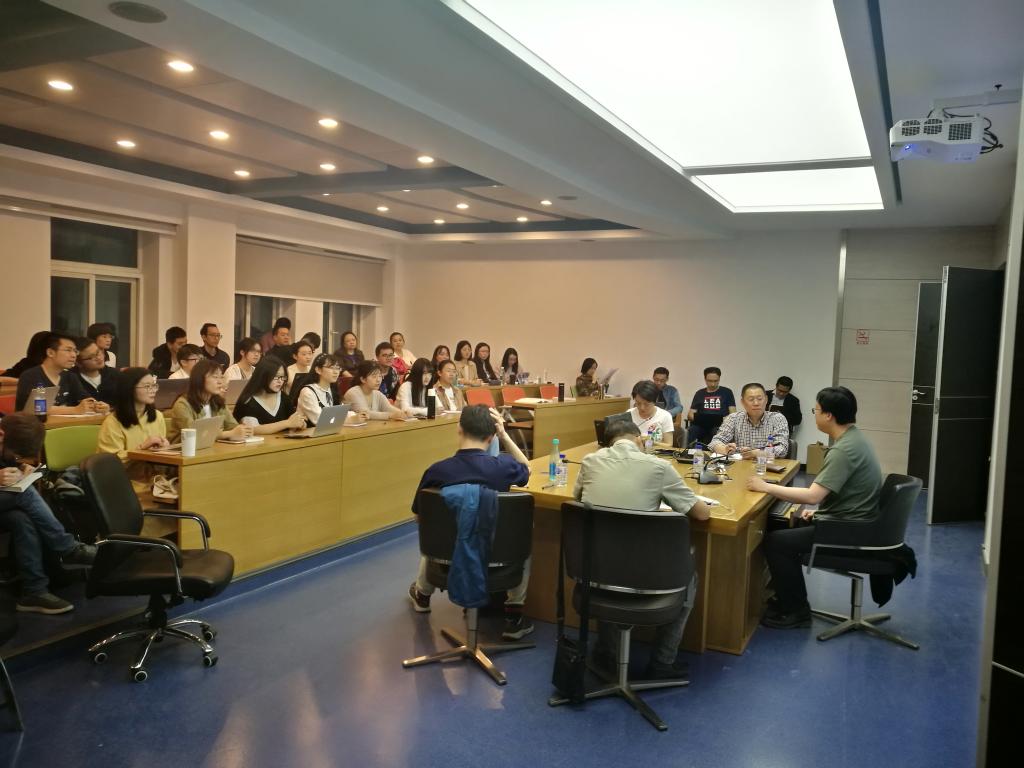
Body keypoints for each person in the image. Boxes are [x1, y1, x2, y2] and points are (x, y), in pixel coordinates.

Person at [574, 418, 711, 679]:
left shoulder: (590, 461)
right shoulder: (658, 467)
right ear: (639, 439)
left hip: (594, 570)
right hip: (645, 577)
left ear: (608, 443)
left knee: (608, 557)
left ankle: (607, 653)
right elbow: (702, 514)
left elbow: (578, 499)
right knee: (688, 574)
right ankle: (662, 662)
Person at [748, 386, 882, 629]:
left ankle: (796, 610)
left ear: (828, 415)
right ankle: (784, 595)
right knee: (784, 524)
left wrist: (765, 486)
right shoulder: (854, 438)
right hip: (856, 521)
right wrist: (822, 513)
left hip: (848, 529)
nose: (815, 414)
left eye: (816, 410)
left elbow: (812, 496)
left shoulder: (843, 450)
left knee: (776, 542)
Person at [408, 404, 534, 639]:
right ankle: (514, 615)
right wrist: (505, 435)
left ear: (459, 429)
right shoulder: (504, 468)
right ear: (492, 436)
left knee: (439, 528)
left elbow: (420, 518)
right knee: (522, 535)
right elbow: (528, 468)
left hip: (449, 556)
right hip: (499, 556)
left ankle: (423, 595)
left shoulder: (436, 471)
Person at [0, 412, 96, 614]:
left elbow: (23, 463)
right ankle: (68, 549)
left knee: (21, 519)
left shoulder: (9, 433)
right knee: (25, 494)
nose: (15, 459)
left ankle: (34, 591)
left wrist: (26, 468)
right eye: (15, 456)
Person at [97, 367, 171, 493]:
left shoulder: (157, 416)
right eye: (147, 386)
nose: (153, 390)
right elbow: (109, 464)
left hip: (156, 483)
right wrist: (141, 448)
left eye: (154, 385)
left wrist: (165, 449)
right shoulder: (113, 422)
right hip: (125, 485)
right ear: (130, 389)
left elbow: (159, 457)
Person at [167, 359, 252, 444]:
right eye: (215, 377)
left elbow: (232, 426)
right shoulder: (182, 404)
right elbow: (194, 434)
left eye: (221, 377)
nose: (220, 382)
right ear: (200, 379)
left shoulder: (217, 402)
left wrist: (244, 430)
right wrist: (228, 434)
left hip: (213, 448)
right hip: (182, 450)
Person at [14, 332, 100, 415]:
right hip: (35, 424)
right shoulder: (31, 376)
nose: (74, 355)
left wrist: (97, 405)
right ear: (50, 353)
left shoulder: (70, 376)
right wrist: (75, 410)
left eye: (75, 351)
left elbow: (86, 398)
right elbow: (36, 408)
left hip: (66, 423)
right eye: (68, 350)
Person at [709, 382, 790, 459]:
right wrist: (725, 449)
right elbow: (715, 442)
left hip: (767, 466)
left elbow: (782, 449)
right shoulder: (733, 418)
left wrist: (756, 453)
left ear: (766, 400)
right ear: (743, 402)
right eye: (751, 399)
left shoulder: (777, 418)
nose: (756, 403)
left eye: (760, 399)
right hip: (741, 466)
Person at [232, 359, 308, 434]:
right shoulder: (248, 401)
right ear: (263, 376)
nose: (280, 381)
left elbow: (294, 420)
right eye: (276, 376)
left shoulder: (283, 397)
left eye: (283, 377)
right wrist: (287, 423)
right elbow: (253, 429)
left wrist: (300, 423)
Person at [295, 353, 366, 426]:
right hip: (309, 431)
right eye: (331, 368)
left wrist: (357, 415)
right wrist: (350, 420)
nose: (336, 372)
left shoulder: (332, 389)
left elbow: (341, 411)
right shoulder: (308, 392)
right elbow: (320, 420)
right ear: (318, 370)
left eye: (338, 368)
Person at [343, 360, 410, 420]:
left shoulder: (377, 393)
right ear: (363, 379)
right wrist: (390, 415)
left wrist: (402, 413)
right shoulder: (353, 393)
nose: (378, 380)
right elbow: (365, 414)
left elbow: (389, 408)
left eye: (380, 376)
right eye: (374, 376)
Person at [687, 366, 736, 446]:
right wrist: (702, 419)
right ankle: (688, 451)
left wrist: (724, 419)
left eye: (716, 381)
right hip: (701, 425)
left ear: (719, 379)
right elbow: (690, 414)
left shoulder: (727, 392)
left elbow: (733, 413)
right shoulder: (699, 393)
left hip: (720, 425)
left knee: (716, 431)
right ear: (705, 379)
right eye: (710, 381)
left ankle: (715, 451)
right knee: (692, 430)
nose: (713, 384)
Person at [66, 337, 117, 409]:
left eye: (98, 352)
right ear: (78, 363)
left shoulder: (115, 375)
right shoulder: (69, 379)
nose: (98, 358)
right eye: (91, 357)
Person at [629, 380, 674, 444]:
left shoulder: (665, 416)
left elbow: (669, 444)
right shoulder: (629, 414)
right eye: (638, 403)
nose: (642, 408)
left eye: (646, 404)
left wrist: (650, 442)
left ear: (655, 401)